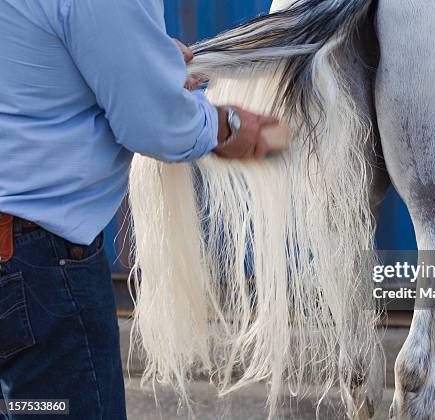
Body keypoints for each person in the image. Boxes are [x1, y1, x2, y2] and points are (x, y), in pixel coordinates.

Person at [0, 0, 277, 418]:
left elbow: (34, 56)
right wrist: (228, 127)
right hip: (38, 272)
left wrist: (142, 56)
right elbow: (156, 125)